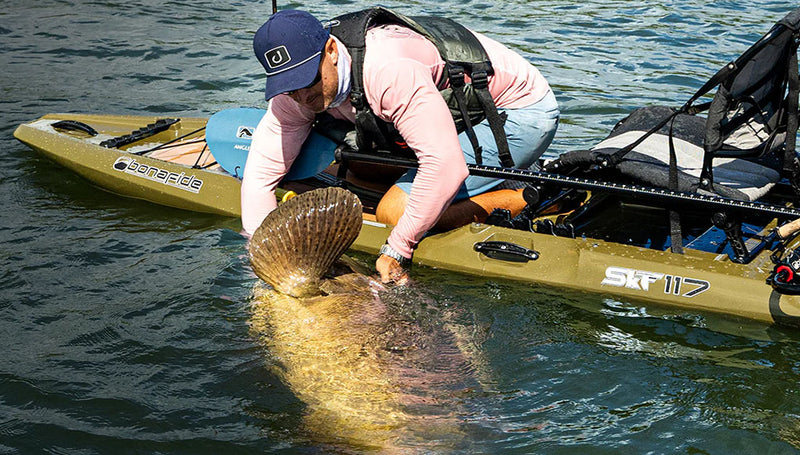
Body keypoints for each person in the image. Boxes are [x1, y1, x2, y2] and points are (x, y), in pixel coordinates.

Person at [242, 8, 559, 284]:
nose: (301, 97)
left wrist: (397, 248)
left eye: (308, 80)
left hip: (517, 113)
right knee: (354, 172)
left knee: (395, 210)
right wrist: (263, 256)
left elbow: (446, 166)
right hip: (451, 111)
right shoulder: (297, 91)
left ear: (331, 50)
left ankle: (529, 194)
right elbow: (260, 175)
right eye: (289, 86)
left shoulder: (388, 72)